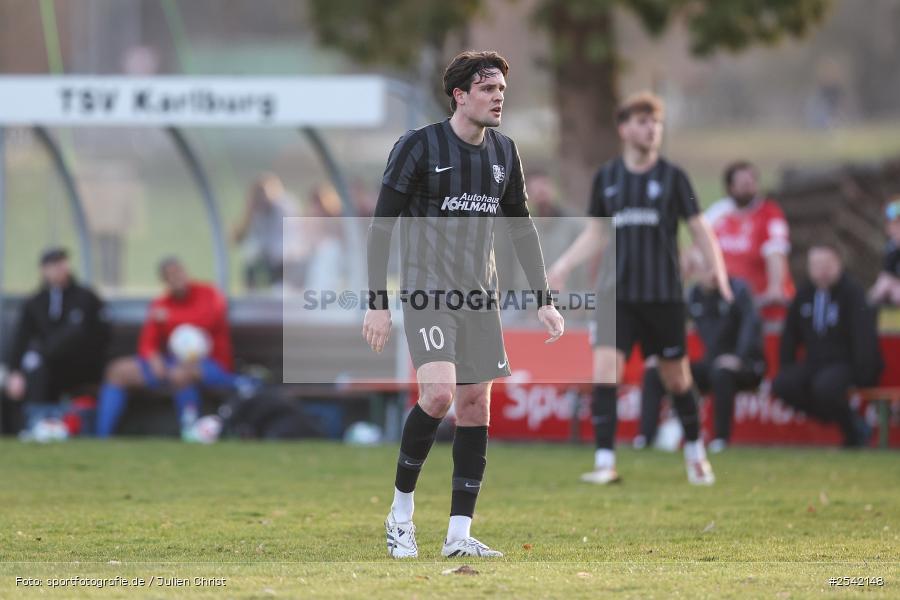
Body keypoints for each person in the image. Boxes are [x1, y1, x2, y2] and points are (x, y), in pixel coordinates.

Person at [364, 51, 564, 559]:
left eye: (502, 89)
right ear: (460, 95)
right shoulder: (418, 147)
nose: (498, 97)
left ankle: (458, 535)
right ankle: (400, 516)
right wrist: (377, 302)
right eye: (487, 88)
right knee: (438, 394)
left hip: (480, 296)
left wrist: (544, 299)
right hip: (428, 292)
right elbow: (382, 226)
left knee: (476, 406)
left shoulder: (505, 153)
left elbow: (521, 227)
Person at [549, 91, 731, 486]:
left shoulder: (673, 177)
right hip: (616, 296)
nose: (652, 129)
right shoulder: (608, 178)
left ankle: (697, 453)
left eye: (657, 123)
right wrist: (563, 264)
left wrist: (718, 271)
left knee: (677, 379)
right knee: (604, 374)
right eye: (644, 122)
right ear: (624, 128)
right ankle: (604, 462)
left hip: (663, 296)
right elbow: (596, 234)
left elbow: (700, 229)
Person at [95, 257, 241, 439]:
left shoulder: (209, 293)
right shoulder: (161, 304)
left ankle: (191, 433)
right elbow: (147, 342)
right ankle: (101, 436)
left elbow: (207, 320)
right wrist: (153, 358)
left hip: (211, 365)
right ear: (164, 281)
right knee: (117, 371)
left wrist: (169, 318)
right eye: (170, 276)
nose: (176, 278)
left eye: (178, 272)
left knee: (181, 375)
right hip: (172, 363)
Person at [638, 249, 766, 453]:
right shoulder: (693, 294)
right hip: (711, 363)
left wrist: (740, 358)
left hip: (745, 364)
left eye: (715, 266)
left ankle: (720, 439)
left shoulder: (738, 290)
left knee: (721, 373)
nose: (712, 273)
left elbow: (751, 327)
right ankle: (645, 438)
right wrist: (660, 355)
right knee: (655, 372)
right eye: (705, 268)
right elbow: (669, 323)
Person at [772, 241, 882, 447]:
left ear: (839, 263)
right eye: (816, 265)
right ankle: (848, 421)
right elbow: (789, 335)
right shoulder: (804, 293)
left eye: (826, 265)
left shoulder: (853, 293)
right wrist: (786, 366)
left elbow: (864, 338)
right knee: (783, 384)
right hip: (815, 362)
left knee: (826, 386)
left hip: (845, 362)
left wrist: (864, 374)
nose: (820, 271)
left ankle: (853, 433)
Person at [2, 248, 110, 429]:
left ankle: (38, 423)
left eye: (62, 264)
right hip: (44, 369)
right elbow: (21, 338)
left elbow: (98, 335)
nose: (59, 269)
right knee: (29, 370)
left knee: (39, 361)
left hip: (81, 366)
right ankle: (33, 425)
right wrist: (14, 372)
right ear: (43, 270)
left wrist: (40, 353)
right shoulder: (35, 302)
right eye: (53, 265)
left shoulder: (85, 298)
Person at [704, 161, 794, 320]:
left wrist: (774, 288)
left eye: (752, 182)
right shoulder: (718, 213)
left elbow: (776, 252)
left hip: (761, 304)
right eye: (744, 184)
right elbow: (700, 248)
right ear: (730, 188)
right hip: (729, 305)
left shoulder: (769, 214)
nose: (750, 187)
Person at [232, 173, 299, 290]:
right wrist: (249, 214)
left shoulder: (284, 207)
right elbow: (237, 239)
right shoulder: (255, 211)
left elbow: (289, 241)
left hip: (284, 262)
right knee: (251, 268)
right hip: (265, 261)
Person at [868, 198, 900, 306]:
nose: (894, 229)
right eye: (892, 224)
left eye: (897, 223)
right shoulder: (891, 247)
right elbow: (888, 272)